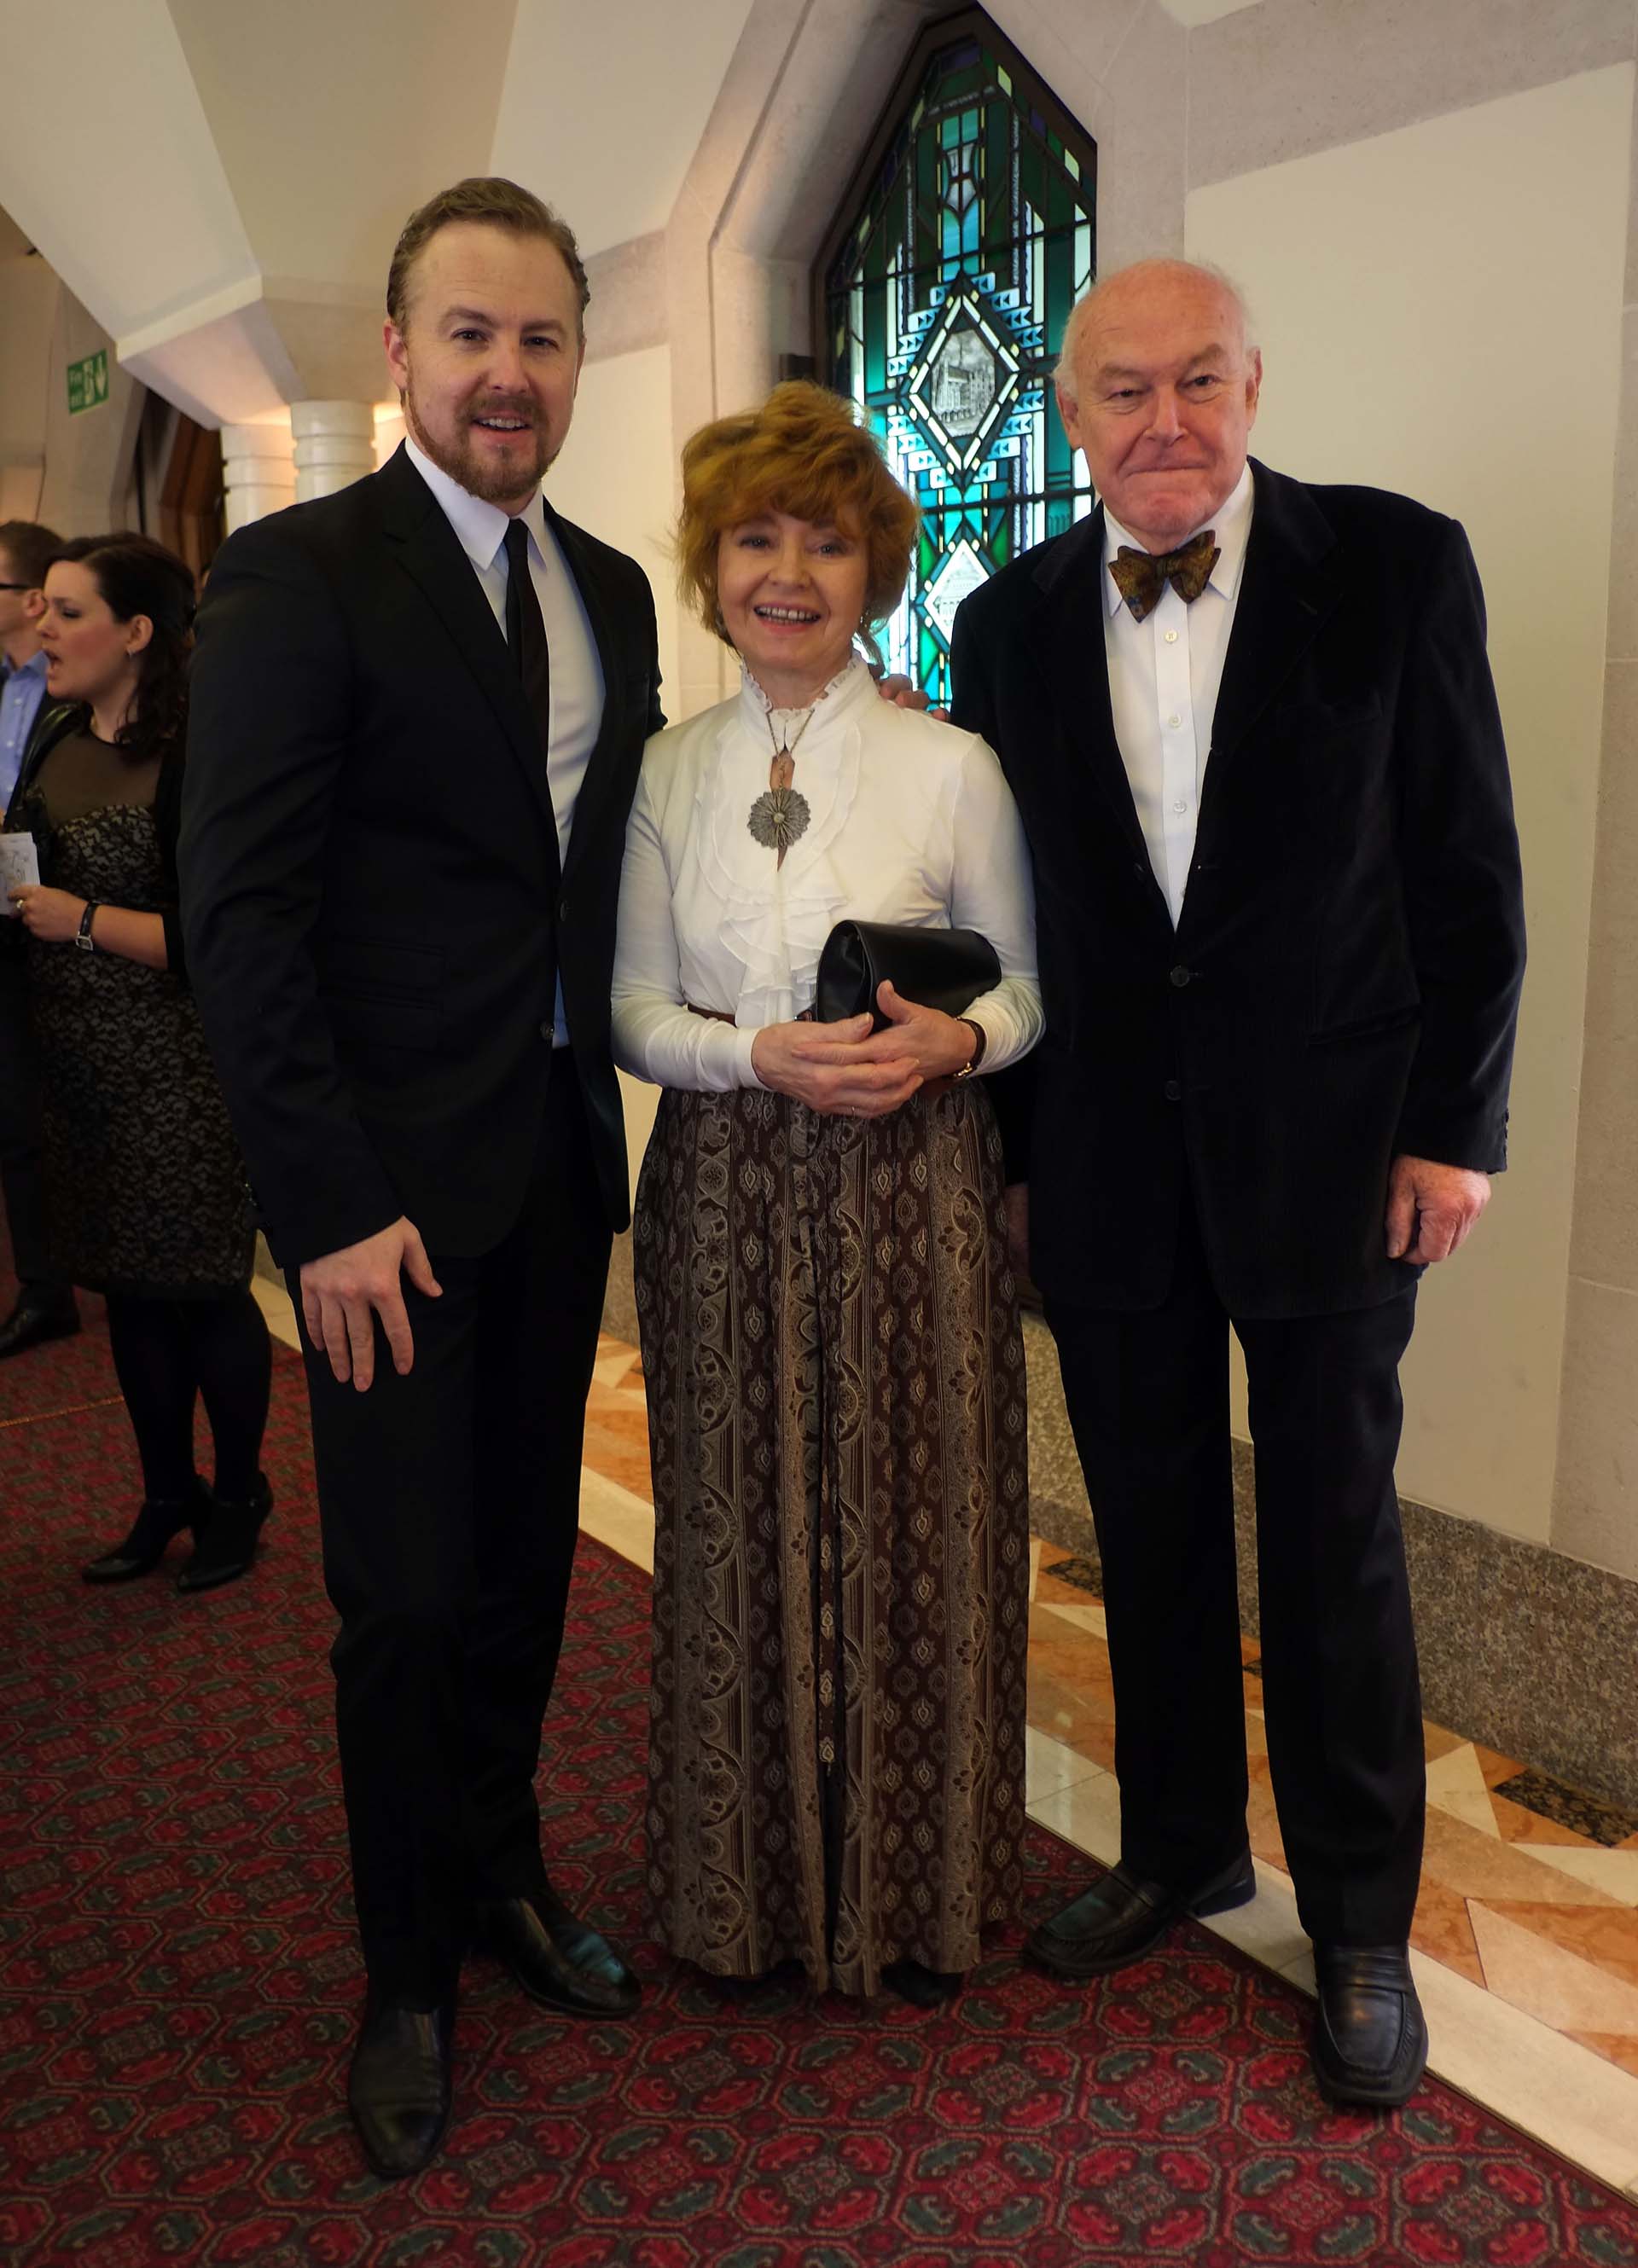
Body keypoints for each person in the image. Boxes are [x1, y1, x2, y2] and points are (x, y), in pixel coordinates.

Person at [948, 259, 1525, 2109]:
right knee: (1149, 1521)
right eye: (1124, 389)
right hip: (1107, 1157)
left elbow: (1468, 871)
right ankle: (1181, 1841)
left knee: (1334, 1545)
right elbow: (1007, 920)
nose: (1165, 420)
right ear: (1071, 415)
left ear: (1255, 387)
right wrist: (1015, 1158)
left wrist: (1456, 1127)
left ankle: (1359, 1921)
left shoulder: (1398, 564)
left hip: (1339, 1156)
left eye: (1198, 378)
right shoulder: (1002, 621)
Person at [181, 177, 663, 2181]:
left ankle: (501, 1868)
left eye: (541, 335)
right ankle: (403, 1976)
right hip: (380, 1204)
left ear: (578, 359)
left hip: (551, 1169)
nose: (507, 372)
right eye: (470, 334)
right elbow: (240, 917)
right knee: (400, 1597)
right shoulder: (298, 575)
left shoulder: (613, 590)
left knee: (528, 1565)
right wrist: (323, 1204)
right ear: (399, 355)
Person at [612, 381, 1042, 2005]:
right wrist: (754, 1056)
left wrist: (963, 1038)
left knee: (920, 1526)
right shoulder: (665, 769)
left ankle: (918, 1890)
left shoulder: (952, 764)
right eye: (755, 539)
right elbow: (634, 1007)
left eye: (828, 543)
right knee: (734, 1527)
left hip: (913, 1185)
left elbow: (1032, 987)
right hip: (723, 1184)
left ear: (877, 571)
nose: (788, 573)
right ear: (709, 564)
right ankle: (752, 1893)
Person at [3, 535, 271, 1591]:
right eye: (42, 607)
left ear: (137, 632)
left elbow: (222, 941)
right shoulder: (58, 731)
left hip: (180, 1069)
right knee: (128, 1291)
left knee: (201, 1291)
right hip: (78, 1069)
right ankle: (167, 1493)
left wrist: (79, 921)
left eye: (67, 611)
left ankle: (239, 1497)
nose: (43, 628)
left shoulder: (200, 754)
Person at [0, 517, 81, 1359]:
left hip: (67, 906)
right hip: (5, 906)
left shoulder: (69, 686)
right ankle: (43, 1284)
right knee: (13, 1109)